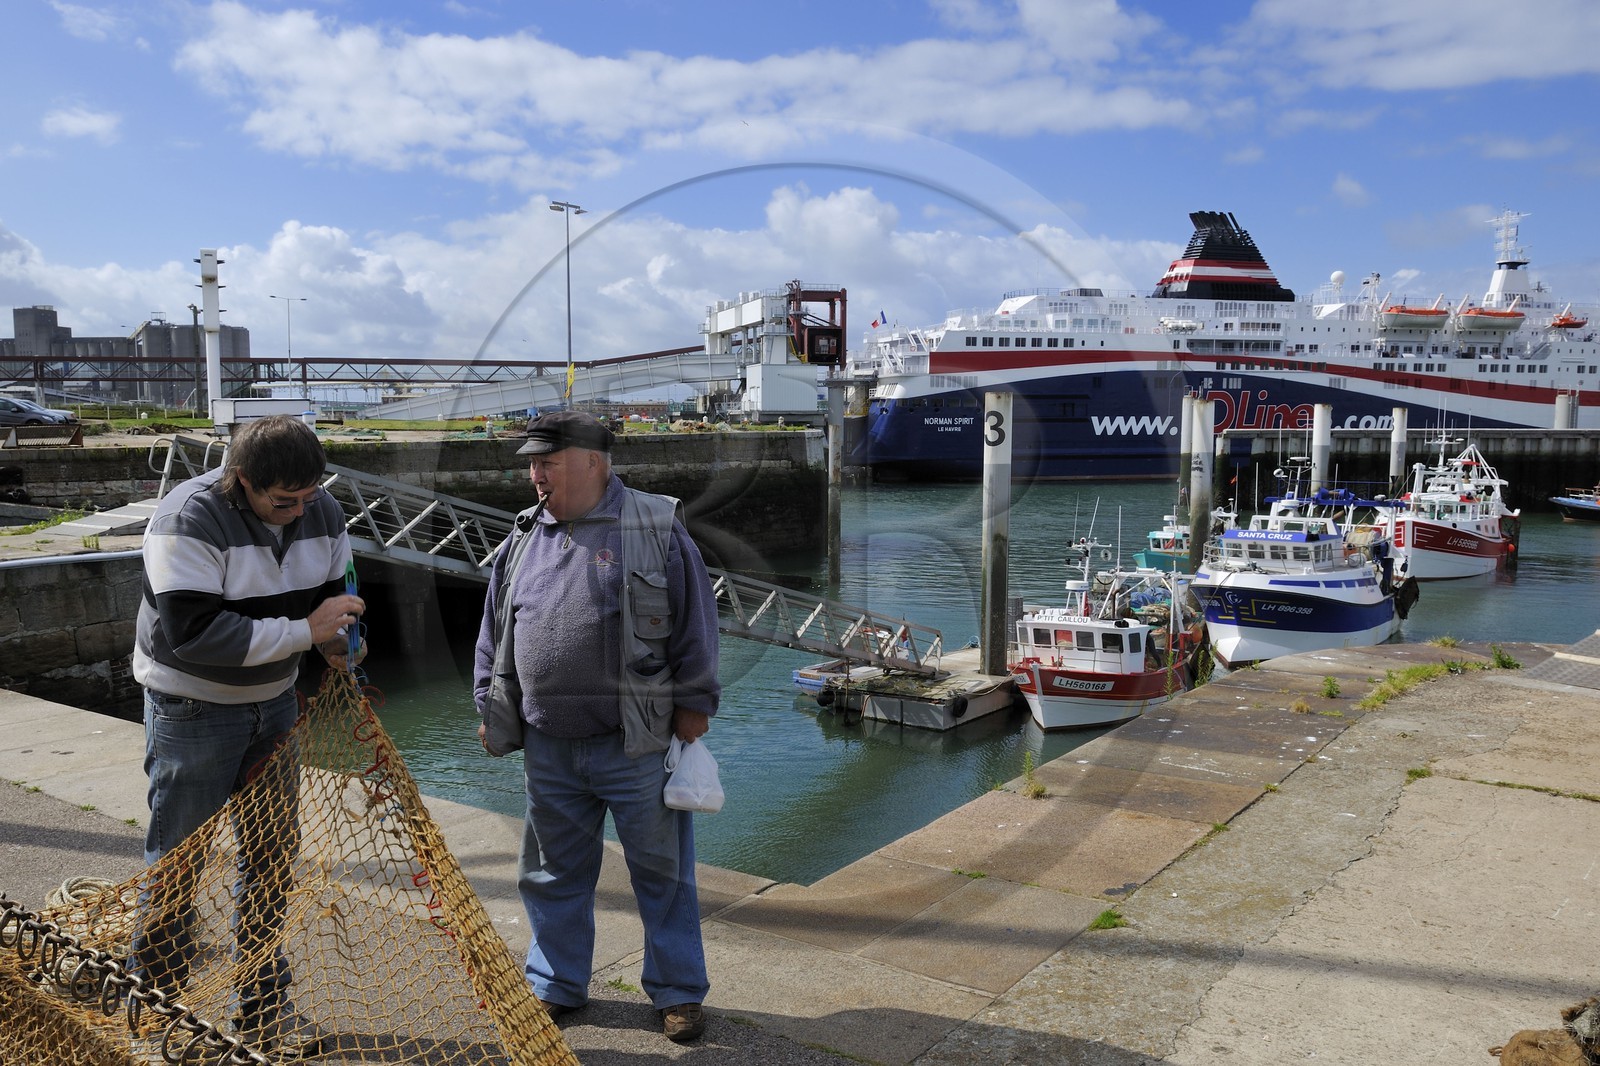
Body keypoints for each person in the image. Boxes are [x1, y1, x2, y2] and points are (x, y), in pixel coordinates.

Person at [473, 410, 721, 1043]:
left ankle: (678, 992)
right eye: (531, 464)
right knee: (551, 872)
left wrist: (695, 709)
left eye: (547, 463)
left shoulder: (656, 528)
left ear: (592, 461)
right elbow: (495, 631)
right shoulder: (524, 535)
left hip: (633, 744)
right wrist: (489, 707)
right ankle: (556, 983)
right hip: (548, 744)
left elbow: (697, 626)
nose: (535, 475)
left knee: (661, 874)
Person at [131, 413, 366, 1056]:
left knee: (269, 863)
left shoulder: (323, 511)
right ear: (240, 481)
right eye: (280, 500)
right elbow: (196, 634)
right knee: (179, 866)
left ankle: (262, 1010)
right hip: (193, 708)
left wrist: (343, 644)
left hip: (276, 708)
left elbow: (339, 596)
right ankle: (157, 1007)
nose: (296, 511)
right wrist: (306, 633)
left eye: (307, 495)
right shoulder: (188, 517)